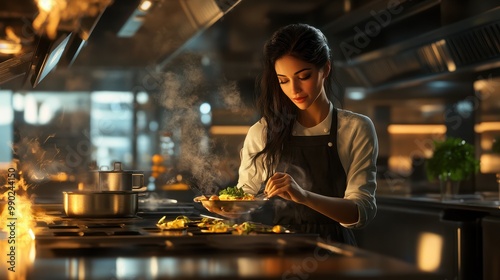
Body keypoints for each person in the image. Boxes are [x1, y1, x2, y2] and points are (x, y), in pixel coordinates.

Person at [236, 23, 378, 245]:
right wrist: (225, 206)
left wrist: (303, 196)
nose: (294, 90)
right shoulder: (262, 132)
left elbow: (361, 212)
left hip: (335, 252)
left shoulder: (356, 128)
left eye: (303, 76)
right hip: (278, 250)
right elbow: (243, 199)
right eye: (283, 80)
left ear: (326, 69)